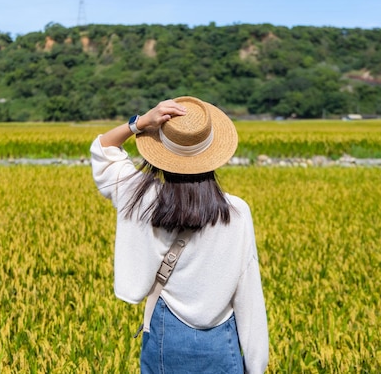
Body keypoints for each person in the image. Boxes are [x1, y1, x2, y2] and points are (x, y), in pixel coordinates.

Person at [91, 96, 269, 373]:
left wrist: (140, 123)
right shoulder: (236, 212)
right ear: (213, 153)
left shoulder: (140, 198)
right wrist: (257, 366)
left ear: (160, 151)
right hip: (220, 342)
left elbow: (104, 149)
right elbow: (248, 290)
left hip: (166, 337)